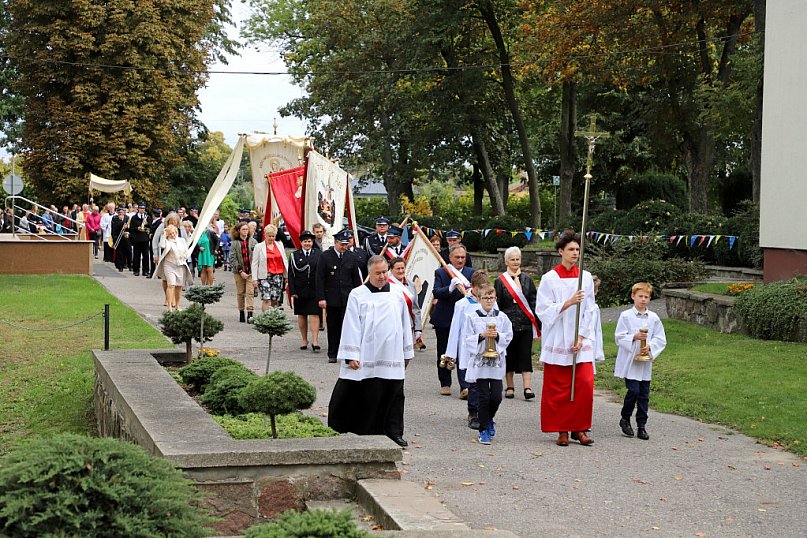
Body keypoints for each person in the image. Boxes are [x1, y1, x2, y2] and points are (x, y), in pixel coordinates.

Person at [327, 255, 414, 447]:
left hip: (391, 353)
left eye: (384, 272)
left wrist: (407, 351)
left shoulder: (398, 294)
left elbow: (404, 323)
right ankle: (364, 431)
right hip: (368, 353)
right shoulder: (358, 294)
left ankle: (394, 431)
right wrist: (351, 354)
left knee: (395, 394)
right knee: (367, 393)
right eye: (378, 273)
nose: (382, 276)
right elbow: (351, 325)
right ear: (369, 273)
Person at [535, 231, 597, 447]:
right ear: (561, 251)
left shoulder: (585, 277)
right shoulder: (549, 278)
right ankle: (562, 429)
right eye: (571, 249)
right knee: (559, 385)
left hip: (580, 338)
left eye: (578, 250)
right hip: (559, 337)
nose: (575, 253)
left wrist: (582, 336)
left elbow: (590, 310)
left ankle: (579, 428)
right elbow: (542, 309)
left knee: (584, 384)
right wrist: (568, 303)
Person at [614, 282, 667, 441]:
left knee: (644, 395)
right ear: (633, 296)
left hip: (644, 363)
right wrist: (633, 337)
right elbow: (619, 337)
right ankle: (625, 418)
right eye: (640, 296)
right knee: (634, 391)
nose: (643, 300)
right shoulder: (626, 316)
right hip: (630, 362)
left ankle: (641, 426)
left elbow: (660, 338)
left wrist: (650, 347)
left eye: (646, 297)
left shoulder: (654, 318)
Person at [461, 284, 513, 445]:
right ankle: (483, 429)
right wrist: (482, 335)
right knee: (483, 397)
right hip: (480, 363)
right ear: (479, 299)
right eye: (485, 298)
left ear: (495, 299)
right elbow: (467, 338)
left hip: (496, 363)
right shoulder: (472, 317)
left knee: (496, 396)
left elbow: (508, 335)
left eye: (491, 298)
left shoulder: (502, 317)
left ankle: (489, 418)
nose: (489, 301)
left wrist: (497, 336)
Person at [446, 270, 490, 429]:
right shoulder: (462, 305)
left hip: (486, 348)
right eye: (480, 289)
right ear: (473, 287)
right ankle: (473, 413)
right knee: (473, 384)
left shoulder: (490, 302)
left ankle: (484, 413)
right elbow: (455, 329)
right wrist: (451, 353)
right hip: (468, 350)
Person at [495, 246, 540, 401]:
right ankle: (510, 386)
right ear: (506, 261)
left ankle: (527, 388)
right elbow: (498, 304)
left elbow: (534, 302)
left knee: (525, 355)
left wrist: (538, 325)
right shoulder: (500, 281)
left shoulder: (527, 280)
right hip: (508, 323)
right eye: (512, 259)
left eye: (517, 259)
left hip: (526, 323)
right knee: (509, 355)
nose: (515, 262)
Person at [431, 244, 476, 396]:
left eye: (463, 257)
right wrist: (449, 289)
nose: (460, 260)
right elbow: (436, 292)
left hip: (465, 319)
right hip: (445, 317)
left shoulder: (471, 273)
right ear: (450, 258)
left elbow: (480, 290)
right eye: (457, 257)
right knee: (443, 351)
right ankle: (445, 382)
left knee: (464, 351)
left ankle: (465, 386)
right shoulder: (442, 272)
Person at [315, 228, 363, 363]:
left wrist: (359, 297)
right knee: (333, 326)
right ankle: (333, 353)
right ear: (335, 242)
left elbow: (355, 280)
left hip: (348, 298)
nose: (344, 247)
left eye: (346, 244)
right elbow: (320, 279)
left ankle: (347, 353)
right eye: (342, 244)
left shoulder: (351, 257)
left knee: (348, 327)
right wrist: (321, 298)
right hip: (332, 298)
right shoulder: (326, 256)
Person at [288, 230, 321, 352]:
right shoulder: (294, 255)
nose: (307, 243)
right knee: (302, 315)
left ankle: (315, 340)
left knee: (314, 314)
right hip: (300, 289)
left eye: (309, 241)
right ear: (301, 242)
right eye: (305, 241)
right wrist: (293, 291)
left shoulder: (318, 254)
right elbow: (291, 274)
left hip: (314, 289)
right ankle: (304, 339)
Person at [153, 224, 193, 311]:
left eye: (174, 233)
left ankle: (178, 305)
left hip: (180, 266)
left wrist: (184, 255)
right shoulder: (166, 241)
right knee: (171, 285)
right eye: (170, 233)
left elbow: (187, 251)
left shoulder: (181, 240)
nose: (173, 235)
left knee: (179, 286)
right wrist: (163, 235)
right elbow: (162, 245)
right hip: (169, 265)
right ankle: (169, 306)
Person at [387, 257, 422, 346]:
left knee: (407, 357)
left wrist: (418, 329)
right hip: (392, 327)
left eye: (403, 268)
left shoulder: (411, 285)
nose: (401, 271)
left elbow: (415, 308)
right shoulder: (386, 285)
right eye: (398, 268)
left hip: (408, 327)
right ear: (391, 270)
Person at [251, 223, 287, 310]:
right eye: (269, 236)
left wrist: (286, 276)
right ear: (265, 235)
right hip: (265, 275)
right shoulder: (259, 247)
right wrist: (254, 279)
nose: (271, 238)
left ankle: (274, 319)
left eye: (273, 236)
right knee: (266, 298)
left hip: (278, 275)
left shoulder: (279, 245)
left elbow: (284, 260)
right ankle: (265, 319)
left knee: (275, 299)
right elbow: (255, 263)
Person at [230, 222, 257, 323]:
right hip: (239, 272)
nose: (245, 231)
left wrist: (253, 271)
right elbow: (233, 258)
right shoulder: (234, 243)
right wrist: (240, 271)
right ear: (238, 231)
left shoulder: (253, 241)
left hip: (251, 271)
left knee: (250, 292)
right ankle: (241, 312)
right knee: (241, 293)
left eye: (247, 229)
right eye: (243, 229)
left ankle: (250, 313)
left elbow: (257, 257)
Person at [129, 203, 151, 277]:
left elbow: (150, 227)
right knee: (136, 255)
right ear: (138, 209)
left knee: (146, 255)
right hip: (137, 239)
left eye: (143, 209)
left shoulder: (147, 217)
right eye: (141, 208)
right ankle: (136, 270)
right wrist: (137, 228)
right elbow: (131, 228)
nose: (142, 210)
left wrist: (146, 227)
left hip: (145, 239)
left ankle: (145, 270)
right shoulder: (134, 218)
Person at [196, 219, 220, 285]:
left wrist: (216, 249)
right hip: (202, 254)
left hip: (209, 253)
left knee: (209, 269)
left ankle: (211, 286)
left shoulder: (210, 232)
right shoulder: (198, 233)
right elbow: (194, 244)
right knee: (203, 269)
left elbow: (218, 240)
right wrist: (199, 248)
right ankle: (203, 286)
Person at [110, 207, 130, 272]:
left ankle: (126, 264)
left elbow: (130, 226)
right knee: (119, 252)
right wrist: (121, 223)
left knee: (127, 251)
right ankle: (120, 266)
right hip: (117, 237)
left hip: (125, 237)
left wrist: (127, 227)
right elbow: (114, 227)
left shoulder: (127, 218)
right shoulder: (115, 218)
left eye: (122, 212)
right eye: (119, 213)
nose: (120, 214)